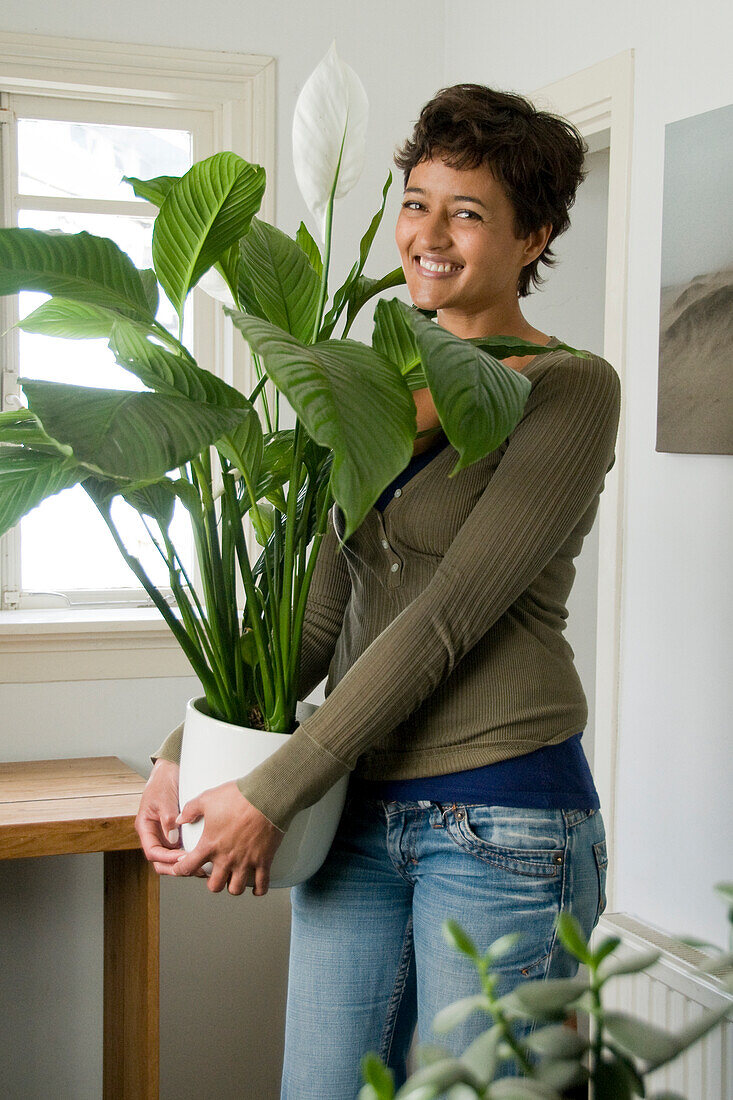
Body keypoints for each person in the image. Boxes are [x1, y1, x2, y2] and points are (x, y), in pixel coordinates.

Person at [136, 83, 621, 1096]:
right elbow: (315, 615)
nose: (427, 234)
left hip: (504, 820)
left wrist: (271, 788)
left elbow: (449, 616)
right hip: (354, 808)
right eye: (415, 200)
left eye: (468, 211)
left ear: (534, 235)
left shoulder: (565, 386)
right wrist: (185, 754)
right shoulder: (362, 379)